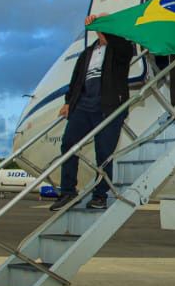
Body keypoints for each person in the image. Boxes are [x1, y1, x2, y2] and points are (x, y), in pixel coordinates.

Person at [51, 14, 134, 211]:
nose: (100, 28)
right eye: (98, 25)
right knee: (68, 146)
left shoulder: (121, 48)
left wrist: (107, 24)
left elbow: (121, 47)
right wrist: (68, 102)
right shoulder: (87, 53)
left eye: (104, 24)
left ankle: (100, 195)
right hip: (83, 107)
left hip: (109, 107)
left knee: (104, 153)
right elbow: (76, 80)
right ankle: (68, 192)